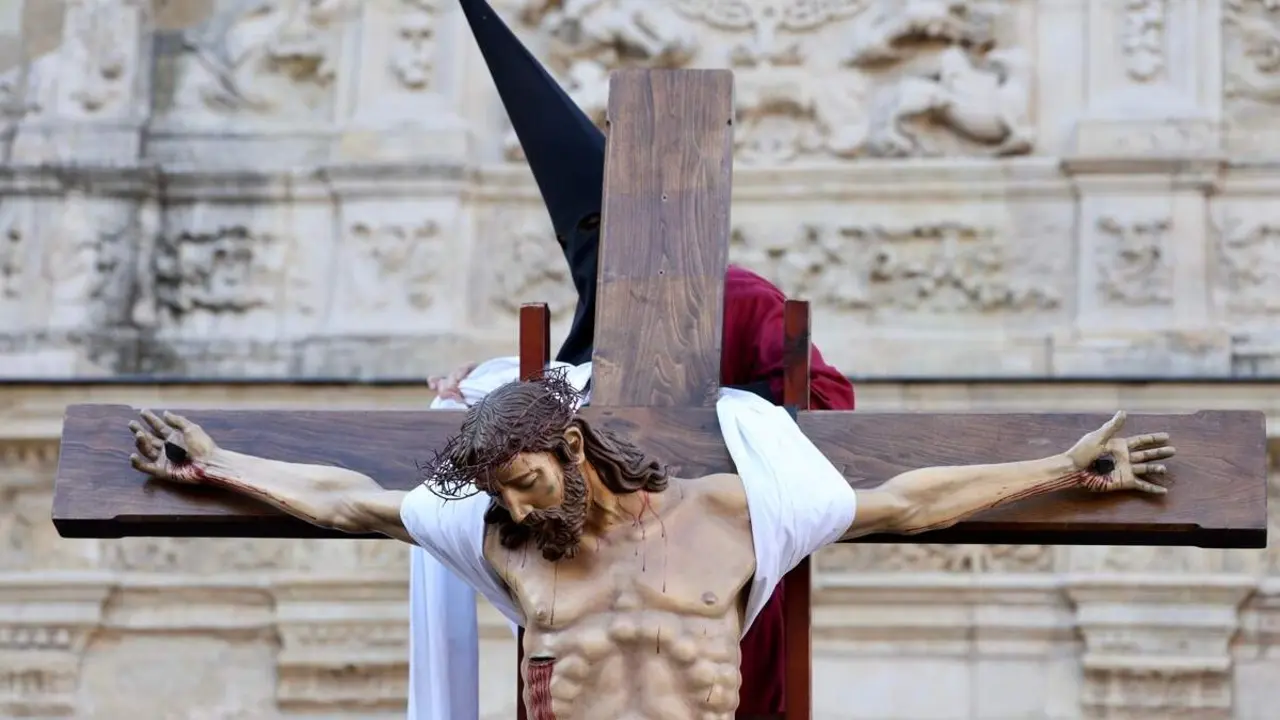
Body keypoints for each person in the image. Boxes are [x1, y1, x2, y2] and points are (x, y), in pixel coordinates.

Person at [127, 380, 1174, 718]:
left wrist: (1056, 471)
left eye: (526, 478)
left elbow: (904, 503)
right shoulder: (504, 544)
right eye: (495, 489)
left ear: (570, 445)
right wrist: (221, 468)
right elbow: (348, 504)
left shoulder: (725, 515)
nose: (513, 502)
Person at [419, 1, 858, 716]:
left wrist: (718, 422)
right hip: (585, 619)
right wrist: (479, 399)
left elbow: (830, 410)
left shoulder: (737, 299)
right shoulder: (575, 356)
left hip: (705, 604)